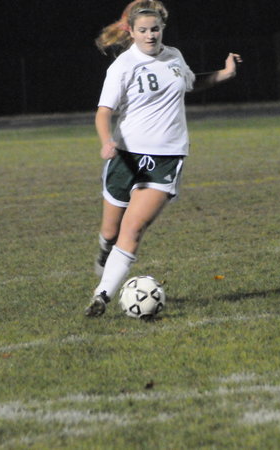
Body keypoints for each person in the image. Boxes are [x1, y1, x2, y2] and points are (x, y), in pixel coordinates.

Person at [85, 0, 242, 316]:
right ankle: (105, 252)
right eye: (143, 30)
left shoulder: (174, 56)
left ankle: (101, 296)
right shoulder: (123, 66)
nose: (150, 35)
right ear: (131, 32)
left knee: (133, 229)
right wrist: (106, 142)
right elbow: (103, 112)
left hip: (166, 158)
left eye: (155, 29)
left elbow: (190, 83)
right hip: (125, 157)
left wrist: (224, 74)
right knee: (111, 232)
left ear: (162, 29)